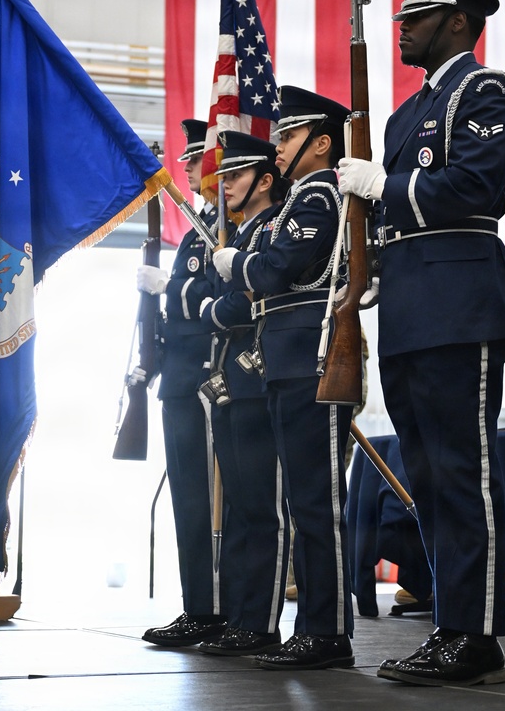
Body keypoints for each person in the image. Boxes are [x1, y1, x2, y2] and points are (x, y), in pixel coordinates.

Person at [338, 0, 505, 688]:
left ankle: (476, 640)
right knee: (428, 477)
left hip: (462, 298)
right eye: (401, 16)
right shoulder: (402, 115)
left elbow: (478, 187)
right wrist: (374, 263)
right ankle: (451, 627)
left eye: (416, 16)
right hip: (412, 306)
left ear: (457, 22)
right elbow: (389, 214)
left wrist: (386, 188)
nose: (401, 26)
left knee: (462, 473)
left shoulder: (484, 91)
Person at [213, 86, 355, 671]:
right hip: (285, 361)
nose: (278, 148)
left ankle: (328, 630)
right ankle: (313, 626)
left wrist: (238, 264)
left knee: (318, 504)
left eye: (290, 137)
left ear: (321, 143)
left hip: (311, 362)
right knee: (302, 502)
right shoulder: (299, 200)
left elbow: (274, 271)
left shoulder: (318, 198)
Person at [196, 131, 291, 656]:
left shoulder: (274, 228)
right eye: (223, 174)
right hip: (232, 372)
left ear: (266, 179)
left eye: (235, 174)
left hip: (259, 370)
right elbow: (220, 296)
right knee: (238, 505)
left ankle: (261, 622)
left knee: (263, 507)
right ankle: (239, 614)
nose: (224, 183)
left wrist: (220, 308)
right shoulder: (237, 234)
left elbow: (249, 297)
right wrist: (221, 305)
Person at [140, 119, 225, 649]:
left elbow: (215, 297)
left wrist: (169, 291)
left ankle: (218, 608)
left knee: (213, 502)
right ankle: (200, 605)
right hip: (180, 375)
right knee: (189, 502)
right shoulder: (201, 226)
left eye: (196, 158)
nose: (188, 168)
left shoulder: (222, 227)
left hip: (205, 377)